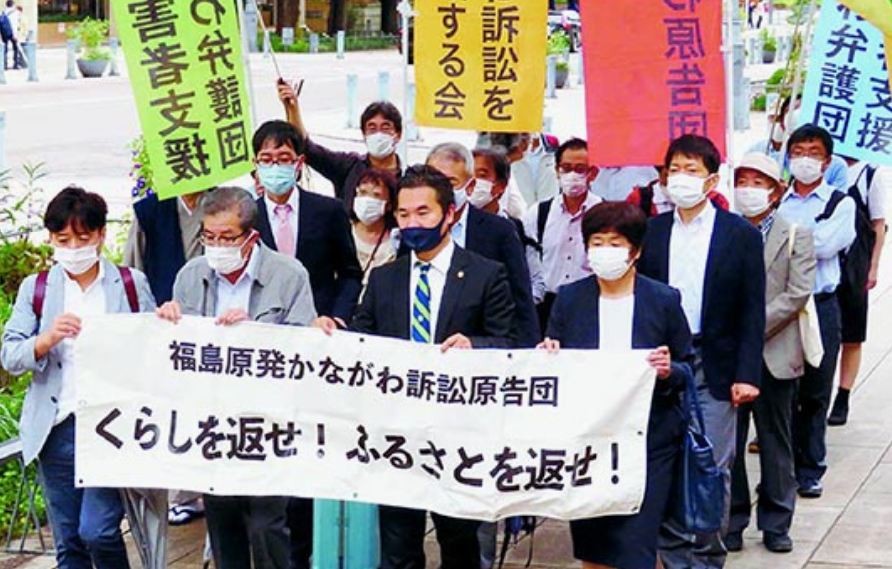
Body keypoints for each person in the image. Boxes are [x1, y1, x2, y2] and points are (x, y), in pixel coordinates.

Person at [350, 164, 515, 569]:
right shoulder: (385, 278)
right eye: (404, 214)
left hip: (458, 435)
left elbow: (510, 343)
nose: (412, 223)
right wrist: (332, 334)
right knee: (397, 547)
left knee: (459, 544)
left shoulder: (485, 274)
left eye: (423, 212)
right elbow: (361, 340)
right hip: (397, 435)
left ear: (450, 213)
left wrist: (474, 346)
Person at [156, 186, 318, 569]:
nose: (217, 246)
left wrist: (256, 335)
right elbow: (178, 353)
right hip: (214, 422)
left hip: (268, 421)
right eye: (209, 236)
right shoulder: (191, 275)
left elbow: (304, 349)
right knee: (223, 521)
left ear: (251, 236)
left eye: (227, 237)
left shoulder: (288, 275)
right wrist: (167, 323)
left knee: (267, 524)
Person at [1, 186, 157, 569]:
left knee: (98, 530)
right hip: (56, 427)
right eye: (63, 239)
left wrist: (164, 323)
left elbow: (153, 345)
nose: (73, 248)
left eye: (83, 238)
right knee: (69, 541)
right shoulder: (38, 288)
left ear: (101, 235)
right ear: (51, 239)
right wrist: (46, 339)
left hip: (112, 424)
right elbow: (10, 354)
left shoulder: (129, 283)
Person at [539, 201, 693, 569]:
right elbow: (553, 358)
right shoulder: (571, 299)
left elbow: (686, 366)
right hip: (588, 443)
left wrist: (668, 370)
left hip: (648, 441)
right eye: (597, 242)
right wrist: (547, 355)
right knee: (595, 546)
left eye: (615, 243)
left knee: (635, 543)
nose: (604, 251)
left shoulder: (662, 300)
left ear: (635, 251)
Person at [636, 134, 765, 569]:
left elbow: (752, 309)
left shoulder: (740, 234)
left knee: (711, 463)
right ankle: (674, 556)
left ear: (711, 180)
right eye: (674, 169)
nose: (681, 178)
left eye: (691, 170)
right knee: (666, 460)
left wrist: (747, 374)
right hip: (664, 361)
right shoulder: (652, 231)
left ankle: (708, 555)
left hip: (716, 363)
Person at [249, 119, 363, 568]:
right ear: (255, 165)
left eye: (283, 158)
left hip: (317, 348)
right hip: (263, 353)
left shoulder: (326, 210)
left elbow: (349, 273)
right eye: (266, 159)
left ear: (299, 163)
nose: (275, 167)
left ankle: (308, 549)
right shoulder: (245, 215)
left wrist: (336, 317)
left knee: (309, 450)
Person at [725, 153, 816, 554]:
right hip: (729, 355)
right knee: (730, 442)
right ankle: (733, 519)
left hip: (774, 353)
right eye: (742, 181)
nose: (748, 190)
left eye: (757, 182)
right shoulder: (725, 232)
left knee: (775, 440)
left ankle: (777, 522)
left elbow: (797, 293)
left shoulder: (796, 234)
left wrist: (750, 328)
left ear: (775, 191)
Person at [777, 124, 856, 499]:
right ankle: (782, 469)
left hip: (819, 305)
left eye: (813, 153)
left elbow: (824, 246)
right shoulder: (777, 199)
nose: (804, 160)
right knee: (781, 391)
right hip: (781, 306)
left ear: (826, 162)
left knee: (815, 390)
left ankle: (810, 469)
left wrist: (785, 240)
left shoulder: (840, 203)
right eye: (798, 152)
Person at [424, 142, 540, 347]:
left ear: (469, 186)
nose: (441, 190)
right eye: (433, 182)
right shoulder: (415, 229)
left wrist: (528, 354)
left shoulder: (499, 231)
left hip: (480, 349)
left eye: (450, 182)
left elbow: (521, 301)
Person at [828, 160, 890, 425]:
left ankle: (843, 396)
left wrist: (873, 266)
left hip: (855, 264)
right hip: (822, 263)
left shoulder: (870, 174)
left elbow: (878, 224)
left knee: (852, 335)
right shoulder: (825, 164)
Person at [278, 81, 403, 213]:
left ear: (398, 134)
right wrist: (293, 108)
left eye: (385, 128)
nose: (378, 134)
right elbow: (307, 149)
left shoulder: (408, 178)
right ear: (364, 135)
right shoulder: (348, 167)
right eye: (372, 128)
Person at [522, 137, 601, 331]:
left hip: (590, 304)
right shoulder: (538, 213)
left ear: (593, 173)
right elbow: (530, 263)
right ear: (557, 171)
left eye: (580, 169)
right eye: (566, 168)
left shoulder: (604, 213)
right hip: (547, 306)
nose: (572, 175)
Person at [472, 146, 546, 304]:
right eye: (469, 175)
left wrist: (511, 308)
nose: (473, 182)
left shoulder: (516, 229)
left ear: (501, 186)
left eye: (482, 175)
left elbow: (536, 283)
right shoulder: (452, 227)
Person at [352, 169, 398, 289]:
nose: (367, 200)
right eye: (362, 192)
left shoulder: (397, 240)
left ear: (389, 205)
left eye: (376, 195)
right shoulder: (343, 231)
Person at [626, 167, 729, 218]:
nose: (680, 180)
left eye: (690, 172)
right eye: (673, 171)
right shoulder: (639, 199)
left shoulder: (716, 201)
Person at [2, 1, 19, 70]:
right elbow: (14, 24)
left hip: (4, 32)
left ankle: (4, 64)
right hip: (12, 33)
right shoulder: (15, 12)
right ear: (13, 4)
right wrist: (15, 34)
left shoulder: (4, 12)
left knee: (4, 48)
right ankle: (15, 64)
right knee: (15, 48)